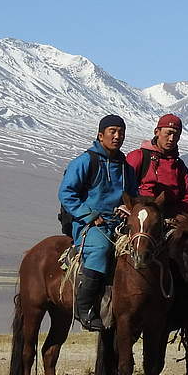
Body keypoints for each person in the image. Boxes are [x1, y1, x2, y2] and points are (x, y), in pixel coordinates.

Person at [58, 114, 137, 331]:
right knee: (101, 249)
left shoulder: (125, 167)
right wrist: (89, 215)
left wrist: (128, 208)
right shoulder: (85, 161)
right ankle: (85, 309)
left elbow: (133, 196)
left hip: (117, 223)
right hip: (89, 224)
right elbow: (66, 193)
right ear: (100, 135)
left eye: (121, 132)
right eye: (113, 131)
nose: (118, 136)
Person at [124, 113, 188, 219]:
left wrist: (180, 214)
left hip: (170, 218)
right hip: (140, 217)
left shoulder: (179, 166)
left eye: (176, 135)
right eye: (168, 133)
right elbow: (122, 187)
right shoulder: (138, 157)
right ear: (157, 132)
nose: (172, 139)